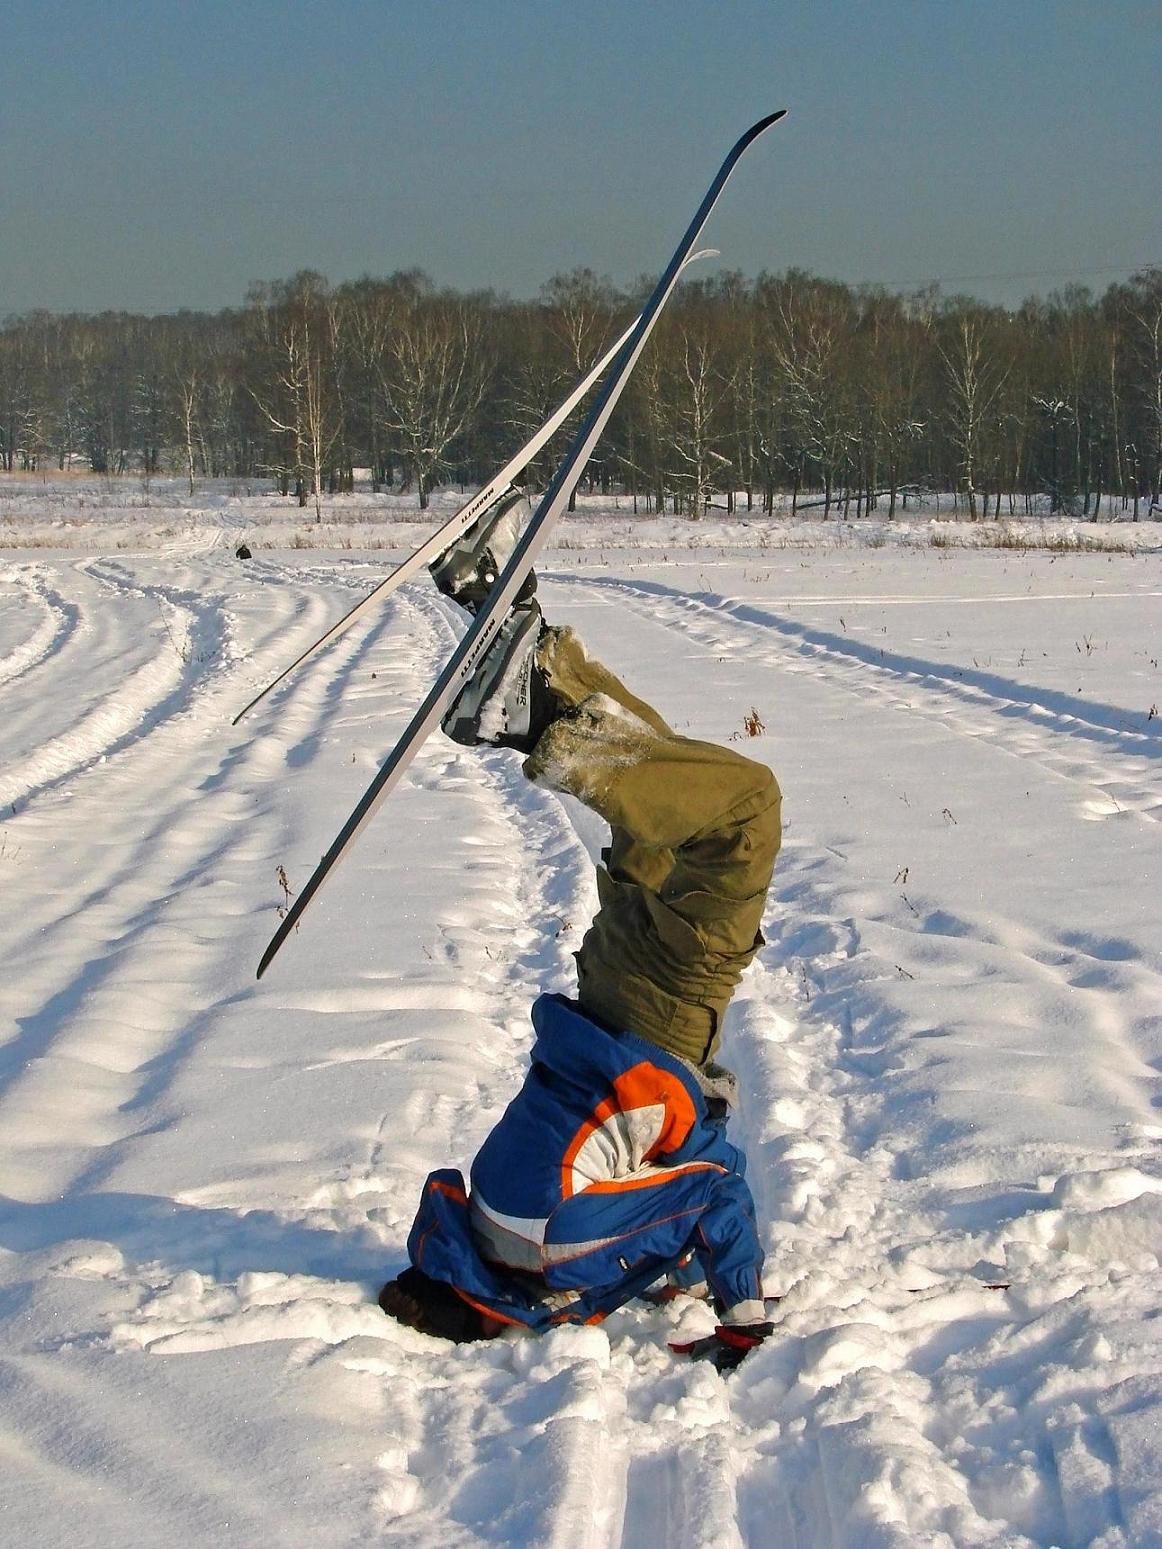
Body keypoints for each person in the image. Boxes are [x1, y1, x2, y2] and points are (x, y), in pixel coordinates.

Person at [378, 494, 782, 1371]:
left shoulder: (560, 1241)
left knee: (740, 804)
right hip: (603, 998)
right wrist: (667, 1268)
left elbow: (711, 1187)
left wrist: (743, 1306)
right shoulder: (487, 1217)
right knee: (673, 785)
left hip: (664, 1014)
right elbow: (644, 1216)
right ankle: (526, 637)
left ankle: (533, 711)